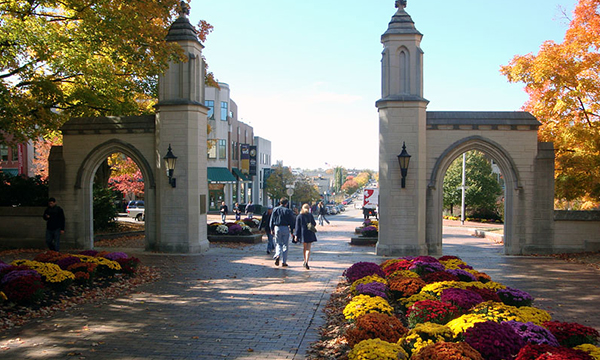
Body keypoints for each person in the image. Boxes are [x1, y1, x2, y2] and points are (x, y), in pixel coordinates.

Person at [269, 197, 295, 267]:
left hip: (277, 227)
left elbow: (271, 220)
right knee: (285, 245)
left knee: (278, 243)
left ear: (280, 202)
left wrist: (271, 229)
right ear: (286, 204)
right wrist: (292, 230)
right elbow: (292, 221)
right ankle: (284, 261)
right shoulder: (288, 211)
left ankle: (277, 254)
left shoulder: (275, 209)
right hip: (285, 227)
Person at [294, 203, 317, 270]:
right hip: (310, 232)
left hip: (303, 233)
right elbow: (314, 223)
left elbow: (297, 227)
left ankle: (304, 261)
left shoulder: (299, 216)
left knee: (304, 247)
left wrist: (296, 235)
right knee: (308, 248)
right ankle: (306, 261)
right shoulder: (310, 215)